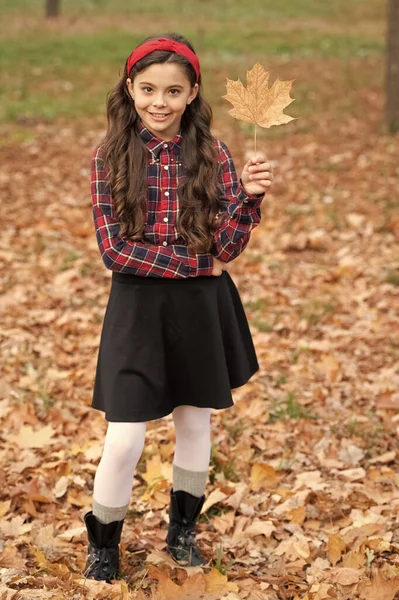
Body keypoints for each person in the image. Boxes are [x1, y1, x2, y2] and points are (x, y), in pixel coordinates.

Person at [83, 32, 273, 584]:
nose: (159, 102)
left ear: (192, 93)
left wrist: (250, 201)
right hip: (137, 310)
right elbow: (115, 250)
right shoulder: (109, 157)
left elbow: (227, 250)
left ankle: (182, 532)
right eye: (147, 89)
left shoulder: (214, 155)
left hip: (200, 309)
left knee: (195, 422)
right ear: (130, 89)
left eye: (173, 90)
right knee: (125, 438)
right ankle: (104, 543)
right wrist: (193, 265)